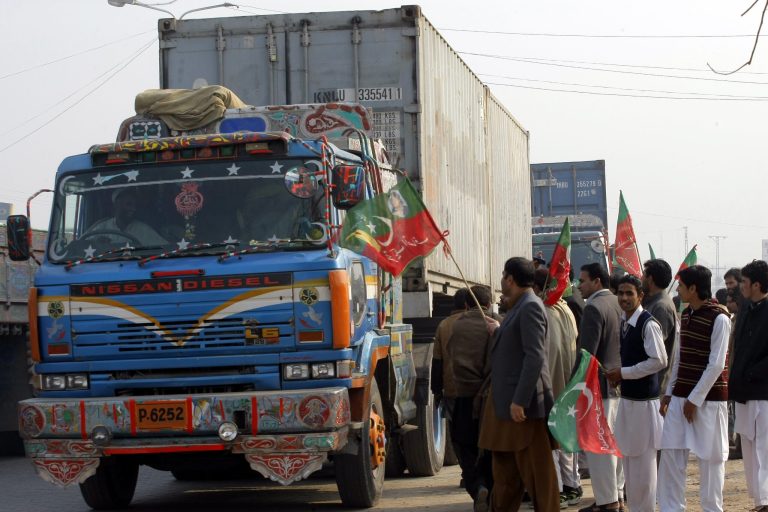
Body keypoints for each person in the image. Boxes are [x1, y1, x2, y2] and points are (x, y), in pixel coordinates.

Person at [478, 257, 559, 511]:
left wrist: (519, 400)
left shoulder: (530, 307)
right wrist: (499, 330)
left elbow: (534, 357)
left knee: (539, 478)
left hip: (524, 409)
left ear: (510, 279)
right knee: (505, 476)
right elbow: (518, 343)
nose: (501, 280)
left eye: (503, 275)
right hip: (506, 407)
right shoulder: (519, 306)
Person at [657, 265, 730, 512]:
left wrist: (694, 399)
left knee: (711, 460)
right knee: (671, 455)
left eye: (681, 285)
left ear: (693, 288)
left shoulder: (720, 317)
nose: (677, 289)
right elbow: (680, 358)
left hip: (708, 401)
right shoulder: (686, 315)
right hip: (679, 398)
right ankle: (671, 508)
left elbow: (717, 364)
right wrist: (669, 392)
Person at [606, 275, 667, 512]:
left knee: (644, 468)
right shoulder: (624, 321)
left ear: (640, 295)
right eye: (620, 293)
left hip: (644, 405)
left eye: (629, 293)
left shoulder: (647, 323)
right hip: (629, 402)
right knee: (630, 463)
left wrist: (625, 373)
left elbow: (659, 360)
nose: (624, 298)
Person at [445, 286, 500, 511]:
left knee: (465, 449)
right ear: (489, 303)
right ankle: (490, 489)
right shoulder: (499, 323)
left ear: (466, 305)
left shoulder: (457, 326)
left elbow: (451, 356)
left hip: (464, 397)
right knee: (490, 449)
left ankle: (477, 487)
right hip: (490, 399)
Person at [576, 262, 625, 512]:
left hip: (600, 388)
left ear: (596, 282)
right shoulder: (619, 303)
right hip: (618, 387)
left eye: (582, 280)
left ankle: (607, 502)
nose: (579, 286)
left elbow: (587, 355)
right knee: (614, 445)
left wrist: (577, 389)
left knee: (600, 447)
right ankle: (616, 495)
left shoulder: (594, 307)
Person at [532, 268, 582, 507]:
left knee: (551, 444)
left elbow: (542, 355)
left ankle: (558, 491)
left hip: (552, 385)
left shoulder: (545, 311)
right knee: (566, 439)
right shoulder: (565, 309)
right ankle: (572, 486)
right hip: (567, 384)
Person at [730, 260, 768, 511]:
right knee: (749, 445)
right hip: (743, 391)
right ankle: (759, 499)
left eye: (743, 282)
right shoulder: (745, 310)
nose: (740, 287)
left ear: (756, 284)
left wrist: (754, 372)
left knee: (765, 447)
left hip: (764, 391)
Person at [642, 259, 679, 395]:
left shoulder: (661, 307)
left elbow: (654, 348)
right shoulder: (650, 302)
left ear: (650, 279)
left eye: (643, 274)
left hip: (656, 384)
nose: (640, 278)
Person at [87, 188, 167, 246]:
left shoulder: (143, 229)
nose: (133, 209)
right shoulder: (102, 227)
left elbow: (165, 247)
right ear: (116, 205)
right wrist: (95, 243)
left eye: (135, 205)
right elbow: (82, 245)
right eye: (129, 204)